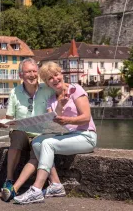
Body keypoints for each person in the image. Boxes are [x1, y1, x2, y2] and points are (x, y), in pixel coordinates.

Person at [13, 61, 97, 204]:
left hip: (86, 136)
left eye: (56, 75)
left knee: (48, 144)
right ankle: (56, 185)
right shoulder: (51, 100)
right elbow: (53, 121)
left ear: (61, 74)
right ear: (46, 82)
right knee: (37, 142)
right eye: (50, 78)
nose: (55, 79)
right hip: (67, 135)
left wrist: (67, 120)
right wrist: (59, 106)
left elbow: (86, 118)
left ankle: (36, 190)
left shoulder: (75, 90)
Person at [0, 58, 54, 202]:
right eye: (28, 72)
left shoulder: (47, 90)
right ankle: (8, 179)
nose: (32, 75)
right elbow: (9, 117)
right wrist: (2, 123)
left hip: (41, 135)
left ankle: (14, 188)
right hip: (22, 134)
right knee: (17, 135)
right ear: (21, 75)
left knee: (38, 150)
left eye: (34, 71)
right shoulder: (14, 92)